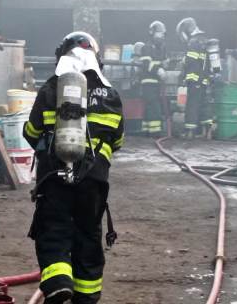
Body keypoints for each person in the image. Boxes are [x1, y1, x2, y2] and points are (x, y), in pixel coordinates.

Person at [23, 32, 124, 304]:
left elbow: (32, 132)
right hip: (94, 181)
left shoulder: (50, 88)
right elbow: (118, 140)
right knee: (88, 236)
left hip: (54, 177)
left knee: (54, 229)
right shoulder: (110, 94)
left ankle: (57, 284)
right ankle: (86, 298)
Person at [176, 17, 219, 139]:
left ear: (188, 29)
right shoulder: (204, 39)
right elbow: (204, 61)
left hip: (194, 79)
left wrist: (182, 73)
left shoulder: (193, 41)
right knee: (204, 104)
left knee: (192, 105)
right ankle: (207, 133)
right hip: (205, 80)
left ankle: (189, 133)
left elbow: (190, 62)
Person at [139, 21, 167, 136]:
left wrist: (164, 64)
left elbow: (158, 62)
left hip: (155, 82)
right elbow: (147, 64)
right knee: (154, 106)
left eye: (163, 34)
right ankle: (155, 132)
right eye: (160, 33)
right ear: (152, 33)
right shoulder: (147, 47)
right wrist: (159, 70)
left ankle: (146, 130)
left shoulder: (158, 48)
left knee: (150, 106)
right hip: (148, 82)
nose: (162, 36)